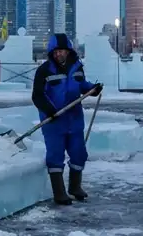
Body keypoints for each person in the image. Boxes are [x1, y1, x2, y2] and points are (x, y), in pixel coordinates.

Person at [31, 33, 102, 205]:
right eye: (55, 52)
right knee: (55, 156)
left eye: (62, 51)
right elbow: (37, 96)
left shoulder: (77, 67)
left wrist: (92, 89)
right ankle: (59, 192)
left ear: (68, 51)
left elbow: (82, 85)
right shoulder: (44, 70)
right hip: (54, 121)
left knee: (79, 154)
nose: (59, 55)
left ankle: (75, 187)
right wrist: (50, 111)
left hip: (74, 119)